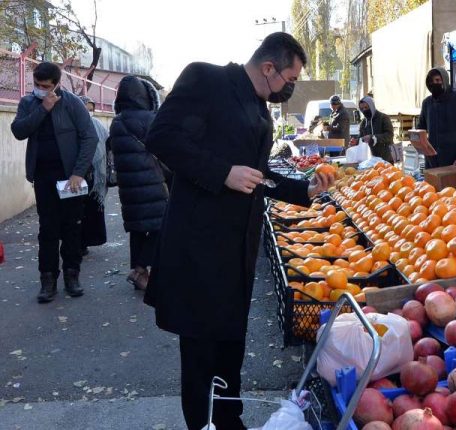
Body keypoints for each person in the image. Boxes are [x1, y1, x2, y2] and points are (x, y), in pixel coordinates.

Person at [143, 32, 334, 430]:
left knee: (230, 343)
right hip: (198, 243)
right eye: (289, 79)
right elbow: (161, 137)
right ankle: (203, 423)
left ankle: (230, 418)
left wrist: (305, 189)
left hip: (237, 247)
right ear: (268, 68)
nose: (290, 88)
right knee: (199, 348)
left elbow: (257, 175)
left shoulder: (260, 108)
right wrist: (221, 172)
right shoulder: (205, 79)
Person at [10, 62, 97, 303]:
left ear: (56, 84)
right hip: (43, 176)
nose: (40, 89)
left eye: (45, 86)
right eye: (36, 85)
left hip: (70, 178)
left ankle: (72, 276)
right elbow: (18, 131)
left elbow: (89, 137)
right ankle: (47, 280)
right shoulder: (28, 103)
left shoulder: (72, 103)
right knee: (47, 229)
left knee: (71, 226)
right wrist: (43, 109)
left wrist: (78, 172)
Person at [109, 76, 169, 291]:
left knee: (137, 230)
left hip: (128, 187)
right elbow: (163, 149)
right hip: (150, 183)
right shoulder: (149, 118)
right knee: (161, 225)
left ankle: (140, 274)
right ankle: (140, 269)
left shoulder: (117, 121)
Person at [417, 67, 456, 169]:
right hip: (433, 161)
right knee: (432, 186)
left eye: (438, 80)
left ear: (445, 80)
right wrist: (418, 141)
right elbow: (420, 128)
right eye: (431, 81)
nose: (434, 83)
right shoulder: (427, 103)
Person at [79, 96, 109, 256]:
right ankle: (78, 243)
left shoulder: (98, 125)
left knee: (90, 211)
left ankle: (85, 242)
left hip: (94, 176)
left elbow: (106, 146)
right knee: (77, 212)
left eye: (91, 109)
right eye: (86, 109)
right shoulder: (73, 125)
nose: (89, 112)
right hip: (77, 175)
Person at [358, 96, 394, 162]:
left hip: (386, 157)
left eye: (366, 107)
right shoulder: (363, 123)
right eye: (362, 109)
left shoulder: (383, 118)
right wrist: (356, 141)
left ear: (371, 106)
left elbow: (389, 135)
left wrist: (373, 137)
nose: (364, 110)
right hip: (371, 158)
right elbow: (361, 138)